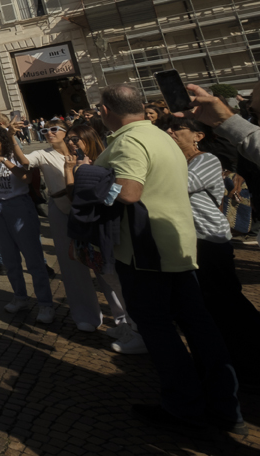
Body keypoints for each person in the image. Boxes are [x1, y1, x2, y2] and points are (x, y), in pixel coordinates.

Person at [91, 84, 241, 435]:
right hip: (178, 244)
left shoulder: (128, 141)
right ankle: (225, 405)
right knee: (199, 326)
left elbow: (129, 192)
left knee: (160, 331)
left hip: (146, 251)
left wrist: (94, 185)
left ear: (104, 111)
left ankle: (184, 406)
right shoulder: (160, 135)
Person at [165, 115, 260, 381]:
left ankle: (250, 361)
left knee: (227, 302)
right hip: (188, 241)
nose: (170, 131)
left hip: (209, 239)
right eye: (168, 128)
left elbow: (181, 186)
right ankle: (228, 361)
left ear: (198, 136)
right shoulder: (174, 161)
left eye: (177, 128)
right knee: (207, 305)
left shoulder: (206, 160)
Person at [56, 124, 134, 342]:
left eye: (76, 139)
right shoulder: (80, 164)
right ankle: (127, 324)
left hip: (108, 228)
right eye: (69, 139)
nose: (71, 143)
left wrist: (80, 171)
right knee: (110, 279)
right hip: (93, 231)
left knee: (118, 282)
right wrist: (70, 171)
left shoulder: (103, 161)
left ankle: (134, 329)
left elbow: (96, 197)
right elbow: (75, 197)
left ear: (89, 139)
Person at [0, 123, 53, 324]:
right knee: (9, 258)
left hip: (19, 206)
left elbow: (26, 178)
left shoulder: (15, 154)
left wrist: (5, 161)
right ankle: (20, 297)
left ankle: (45, 303)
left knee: (33, 257)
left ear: (2, 139)